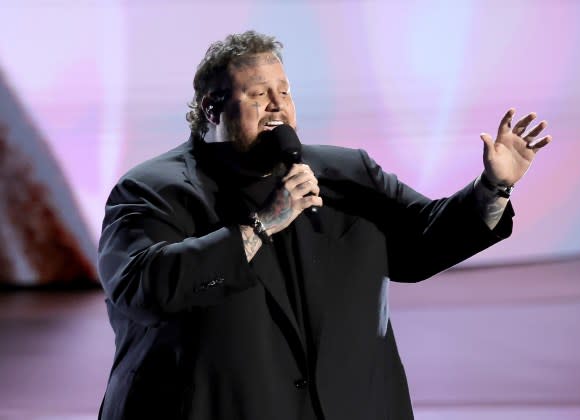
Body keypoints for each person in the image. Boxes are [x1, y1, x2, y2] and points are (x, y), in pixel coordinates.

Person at [97, 30, 551, 420]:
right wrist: (258, 227)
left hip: (351, 405)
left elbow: (422, 239)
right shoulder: (153, 188)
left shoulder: (348, 172)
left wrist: (492, 188)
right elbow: (142, 289)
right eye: (259, 94)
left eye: (285, 91)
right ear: (212, 108)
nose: (278, 105)